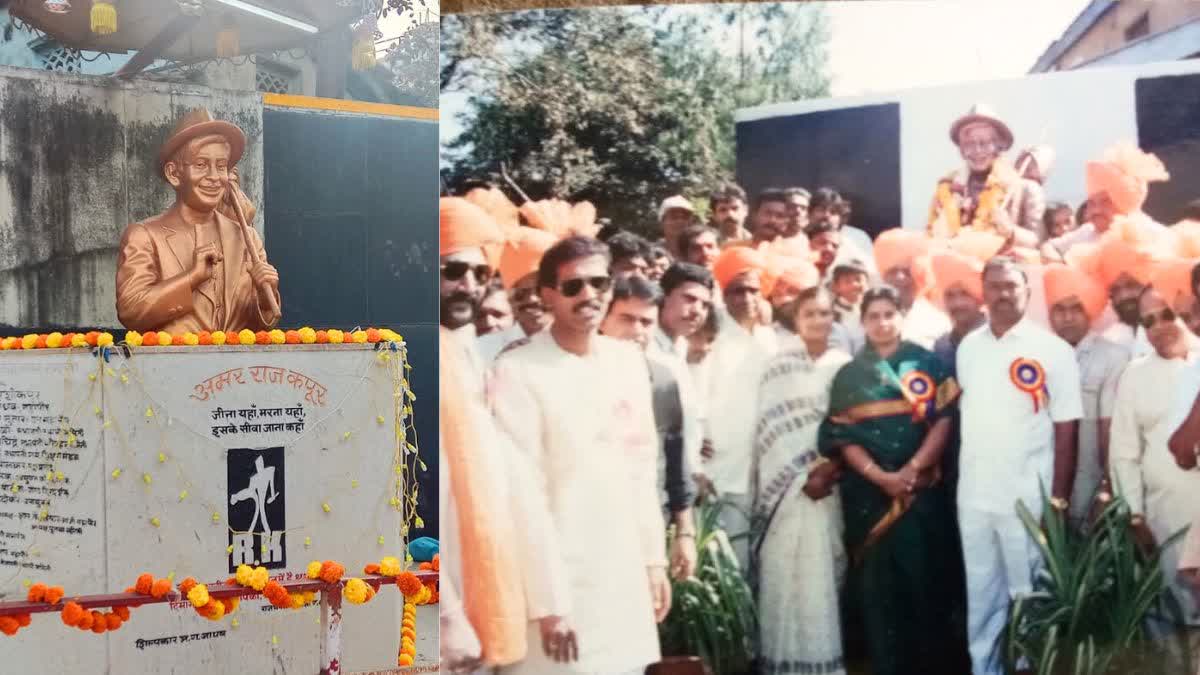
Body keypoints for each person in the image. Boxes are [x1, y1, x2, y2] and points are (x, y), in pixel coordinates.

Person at [490, 236, 670, 675]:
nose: (589, 295)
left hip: (623, 571)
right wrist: (550, 604)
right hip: (561, 582)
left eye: (599, 282)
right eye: (573, 286)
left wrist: (653, 561)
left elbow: (642, 470)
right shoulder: (517, 370)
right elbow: (522, 497)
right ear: (547, 294)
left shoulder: (627, 360)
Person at [819, 285, 969, 675]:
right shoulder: (850, 375)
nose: (882, 323)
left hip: (920, 497)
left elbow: (944, 422)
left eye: (889, 313)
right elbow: (842, 436)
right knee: (877, 594)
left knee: (926, 588)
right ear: (862, 322)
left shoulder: (928, 363)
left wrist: (913, 470)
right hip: (870, 498)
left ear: (902, 316)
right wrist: (881, 477)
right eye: (873, 316)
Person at [956, 258, 1082, 675]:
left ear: (1028, 292)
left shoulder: (1053, 351)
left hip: (1027, 497)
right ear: (983, 292)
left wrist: (1058, 500)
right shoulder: (968, 347)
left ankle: (1032, 668)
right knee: (982, 594)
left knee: (1029, 595)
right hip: (975, 496)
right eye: (994, 286)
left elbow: (1067, 428)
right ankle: (984, 668)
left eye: (1012, 286)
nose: (1003, 294)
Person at [753, 287, 851, 675]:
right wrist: (796, 478)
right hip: (785, 492)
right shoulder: (777, 365)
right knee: (781, 576)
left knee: (822, 577)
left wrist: (829, 469)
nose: (817, 321)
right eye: (809, 313)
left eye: (825, 313)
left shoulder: (845, 365)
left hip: (829, 484)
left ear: (833, 319)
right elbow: (767, 430)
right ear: (796, 320)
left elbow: (852, 425)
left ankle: (822, 663)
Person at [116, 109, 281, 334]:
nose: (214, 177)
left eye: (221, 166)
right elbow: (131, 311)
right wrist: (192, 278)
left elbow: (260, 325)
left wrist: (263, 298)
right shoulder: (144, 236)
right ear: (174, 173)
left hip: (234, 367)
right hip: (173, 366)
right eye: (201, 164)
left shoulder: (246, 237)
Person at [1111, 283, 1200, 626]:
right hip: (1164, 519)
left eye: (1166, 314)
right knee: (1176, 624)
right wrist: (1134, 513)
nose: (1159, 326)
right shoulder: (1134, 375)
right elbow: (1124, 453)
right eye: (1148, 321)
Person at [600, 276, 700, 581]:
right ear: (603, 318)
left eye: (646, 322)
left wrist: (685, 533)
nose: (637, 331)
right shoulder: (575, 375)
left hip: (647, 525)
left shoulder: (662, 380)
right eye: (626, 319)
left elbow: (675, 458)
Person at [703, 246, 779, 570]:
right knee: (721, 559)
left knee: (751, 554)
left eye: (753, 290)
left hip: (759, 460)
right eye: (737, 291)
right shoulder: (710, 336)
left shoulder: (768, 338)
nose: (746, 298)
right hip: (717, 462)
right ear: (723, 293)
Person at [1043, 264, 1130, 523]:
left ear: (1090, 310)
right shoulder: (1036, 357)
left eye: (1076, 308)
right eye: (1060, 309)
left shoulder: (1114, 357)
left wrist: (1106, 490)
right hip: (1041, 483)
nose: (1068, 317)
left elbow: (1111, 435)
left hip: (1089, 487)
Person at [926, 104, 1041, 250]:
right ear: (961, 150)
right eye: (969, 144)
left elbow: (1039, 242)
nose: (977, 151)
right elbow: (929, 233)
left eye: (985, 143)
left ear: (999, 146)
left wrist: (1011, 231)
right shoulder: (947, 188)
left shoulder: (1025, 188)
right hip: (952, 265)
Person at [1041, 142, 1171, 263]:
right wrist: (1061, 263)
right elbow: (1049, 246)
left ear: (1127, 201)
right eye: (1091, 203)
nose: (1095, 210)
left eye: (1105, 202)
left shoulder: (1156, 236)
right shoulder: (1087, 232)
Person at [440, 197, 506, 387]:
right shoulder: (389, 351)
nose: (469, 287)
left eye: (481, 273)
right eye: (454, 271)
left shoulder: (501, 356)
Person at [478, 227, 558, 366]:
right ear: (509, 299)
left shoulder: (589, 345)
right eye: (520, 293)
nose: (532, 299)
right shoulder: (482, 351)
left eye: (540, 290)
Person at [873, 228, 951, 350]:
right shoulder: (868, 318)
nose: (900, 277)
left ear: (920, 275)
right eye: (893, 271)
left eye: (907, 271)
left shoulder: (938, 321)